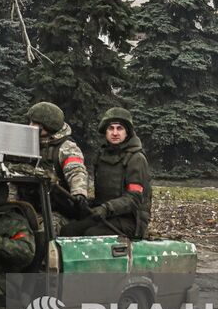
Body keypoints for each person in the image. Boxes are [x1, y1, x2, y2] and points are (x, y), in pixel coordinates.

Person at [63, 106, 151, 238]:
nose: (115, 133)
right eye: (111, 128)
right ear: (105, 132)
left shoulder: (136, 158)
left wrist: (106, 208)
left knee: (91, 234)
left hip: (130, 220)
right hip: (106, 215)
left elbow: (134, 199)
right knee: (68, 231)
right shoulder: (101, 156)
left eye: (119, 128)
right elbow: (102, 196)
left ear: (127, 132)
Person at [25, 101, 92, 218]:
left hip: (57, 210)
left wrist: (79, 193)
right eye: (30, 122)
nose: (30, 126)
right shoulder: (29, 144)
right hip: (29, 207)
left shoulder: (66, 147)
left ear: (48, 125)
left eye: (35, 123)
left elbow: (76, 171)